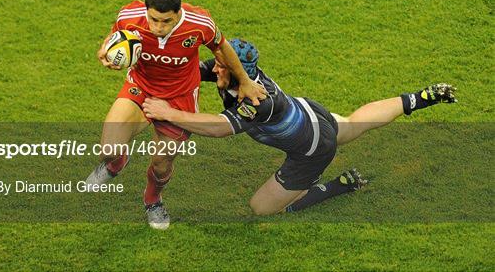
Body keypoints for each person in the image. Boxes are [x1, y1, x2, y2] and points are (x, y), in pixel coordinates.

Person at [142, 38, 457, 215]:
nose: (216, 68)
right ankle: (419, 98)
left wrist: (168, 112)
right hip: (310, 114)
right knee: (355, 123)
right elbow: (193, 71)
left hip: (312, 148)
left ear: (239, 72)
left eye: (222, 65)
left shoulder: (258, 101)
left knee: (261, 208)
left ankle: (336, 186)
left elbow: (218, 128)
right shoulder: (237, 74)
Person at [85, 0, 266, 230]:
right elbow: (114, 37)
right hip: (141, 88)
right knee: (109, 149)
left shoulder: (200, 24)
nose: (158, 27)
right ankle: (115, 164)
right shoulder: (129, 16)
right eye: (153, 20)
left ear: (178, 13)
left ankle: (153, 201)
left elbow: (222, 47)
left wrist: (244, 81)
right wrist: (104, 52)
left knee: (162, 162)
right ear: (146, 11)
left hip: (179, 98)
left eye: (166, 21)